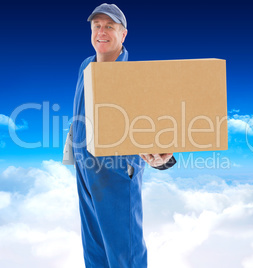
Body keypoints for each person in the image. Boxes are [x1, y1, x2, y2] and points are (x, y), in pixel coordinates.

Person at [67, 3, 176, 268]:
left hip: (118, 171)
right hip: (85, 168)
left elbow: (160, 124)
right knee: (94, 249)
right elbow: (79, 112)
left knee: (124, 251)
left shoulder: (134, 76)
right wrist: (72, 154)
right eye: (97, 26)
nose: (101, 32)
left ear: (123, 34)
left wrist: (164, 158)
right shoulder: (86, 66)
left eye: (109, 27)